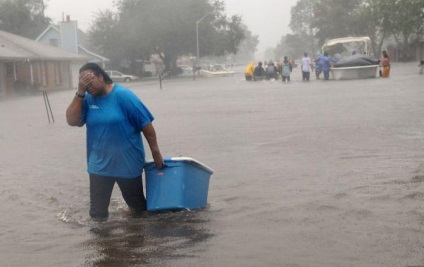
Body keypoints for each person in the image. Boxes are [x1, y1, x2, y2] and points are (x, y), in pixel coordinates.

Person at [66, 62, 165, 220]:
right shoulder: (86, 99)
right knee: (97, 215)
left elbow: (146, 125)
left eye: (90, 82)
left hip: (127, 163)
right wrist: (80, 93)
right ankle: (103, 244)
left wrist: (156, 153)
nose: (88, 87)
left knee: (138, 210)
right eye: (84, 84)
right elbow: (71, 121)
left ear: (100, 76)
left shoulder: (124, 96)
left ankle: (139, 242)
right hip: (99, 164)